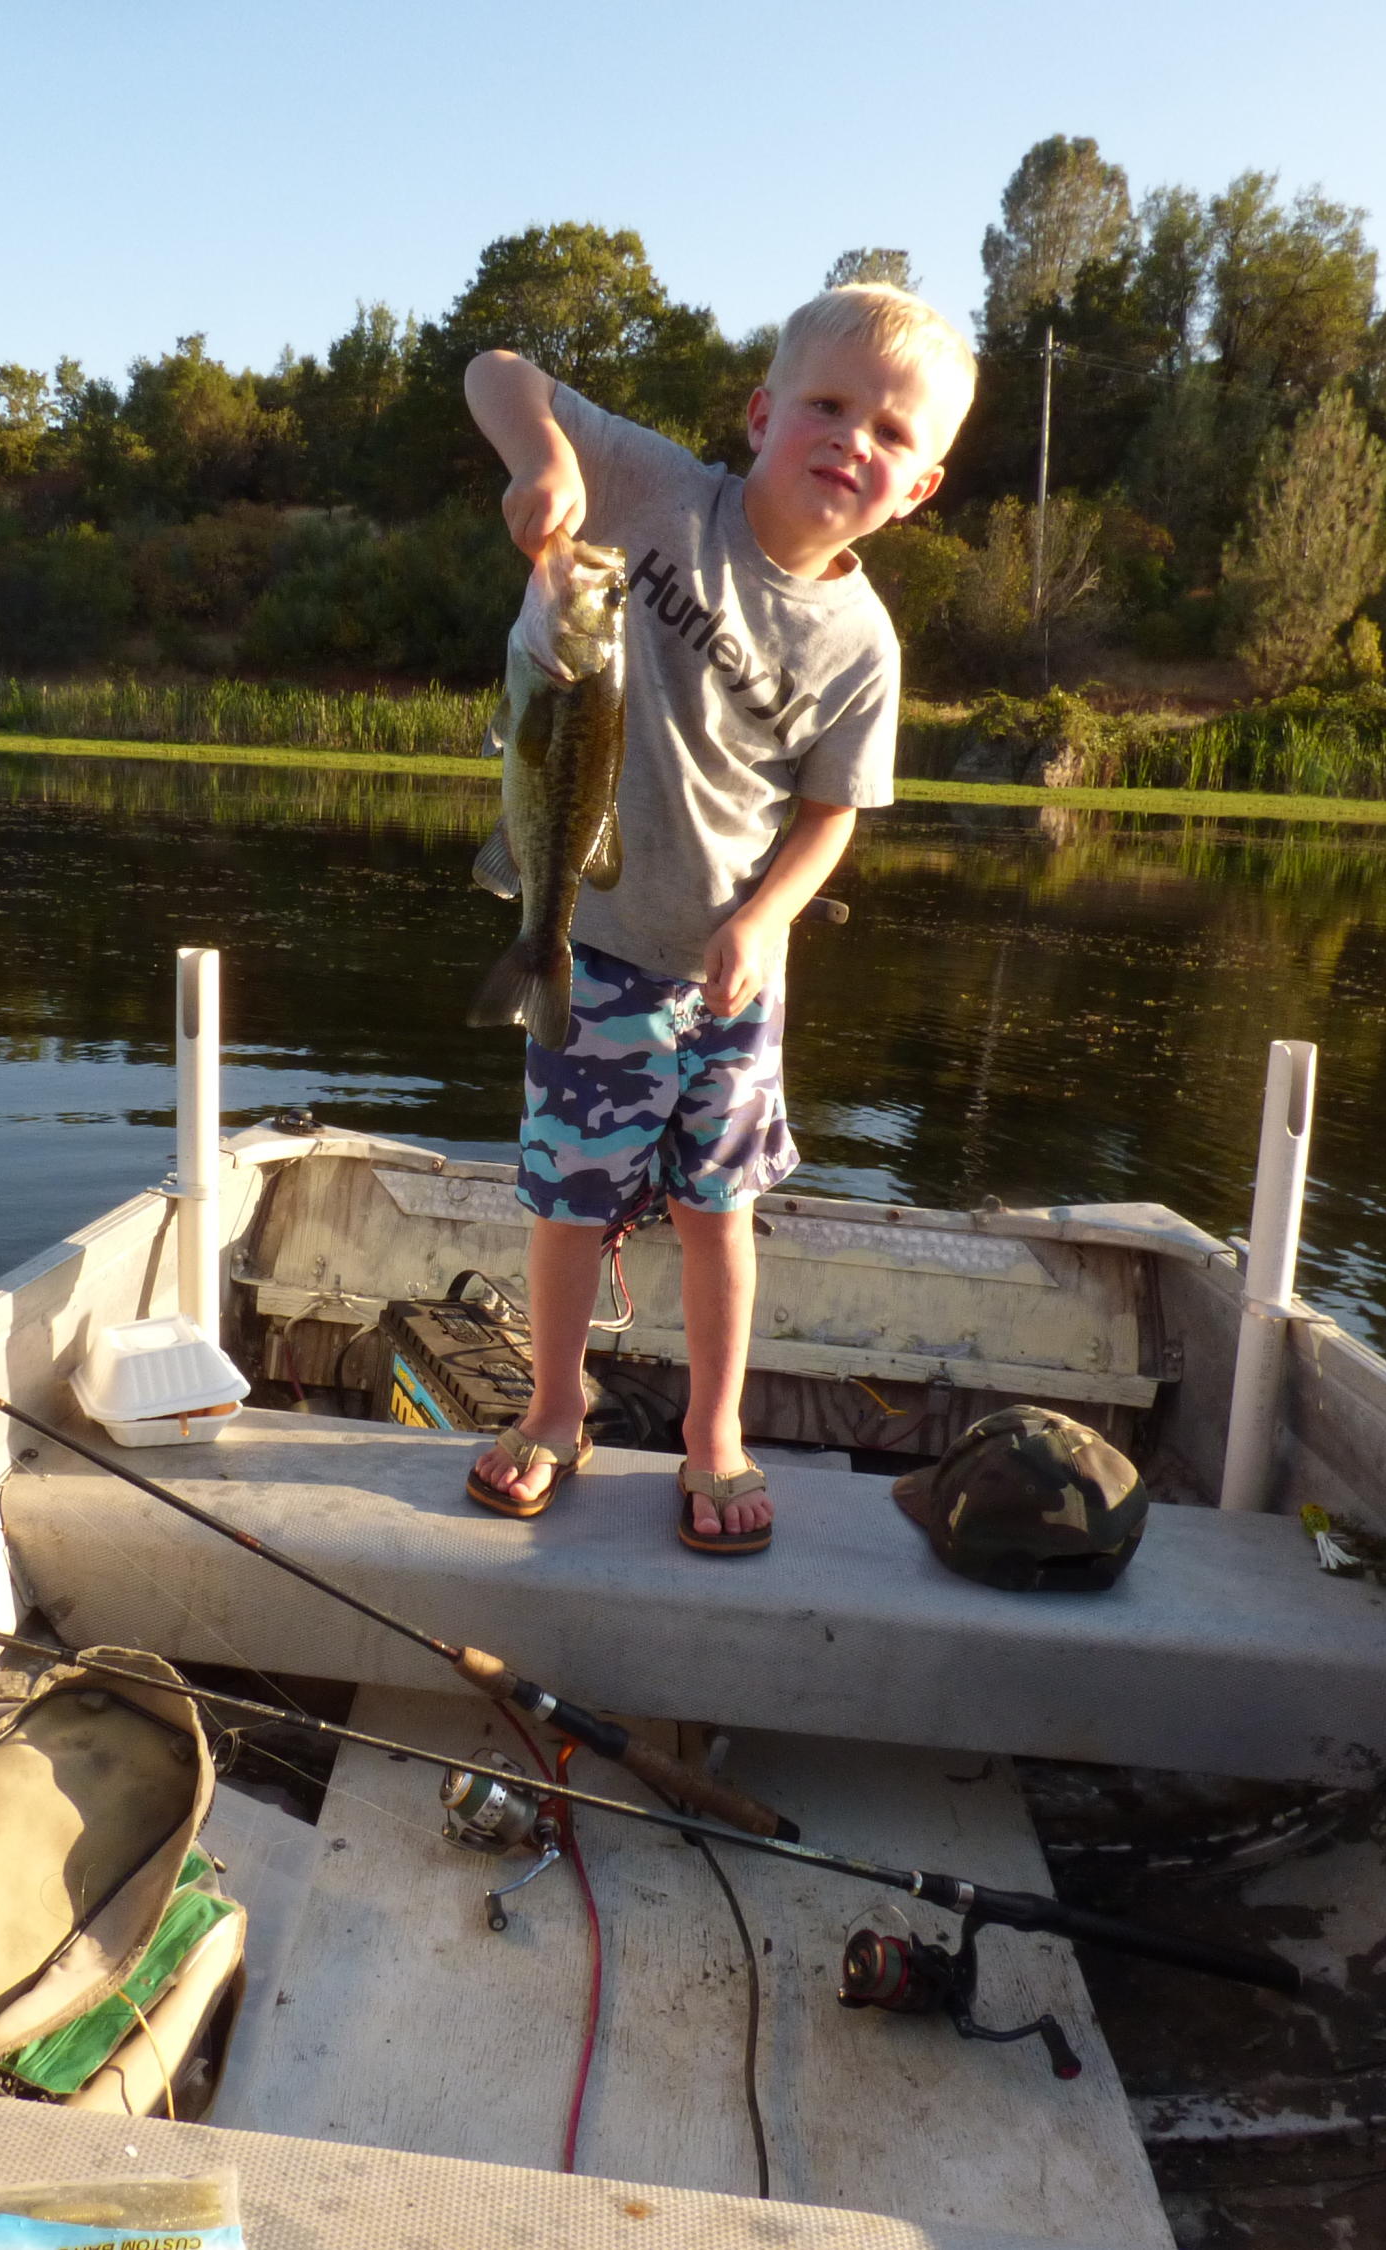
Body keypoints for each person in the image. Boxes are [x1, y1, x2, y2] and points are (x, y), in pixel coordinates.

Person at [458, 284, 976, 1555]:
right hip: (592, 951)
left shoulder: (863, 647)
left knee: (717, 1216)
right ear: (762, 414)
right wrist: (539, 461)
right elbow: (496, 368)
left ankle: (714, 1437)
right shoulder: (653, 494)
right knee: (570, 1207)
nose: (856, 439)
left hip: (736, 986)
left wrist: (767, 919)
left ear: (920, 490)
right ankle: (552, 1410)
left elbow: (830, 819)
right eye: (830, 405)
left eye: (893, 434)